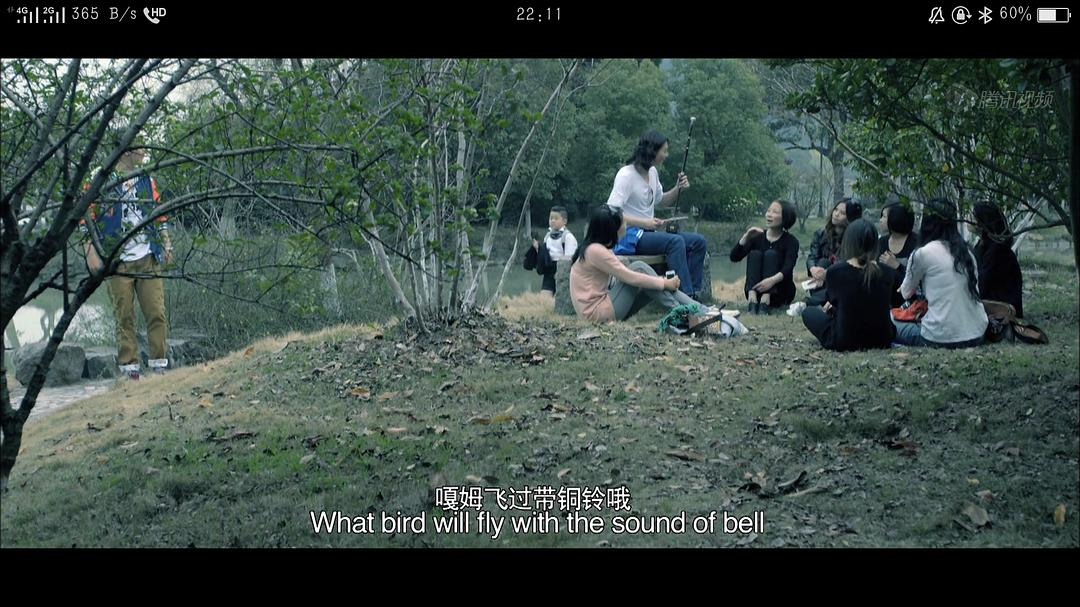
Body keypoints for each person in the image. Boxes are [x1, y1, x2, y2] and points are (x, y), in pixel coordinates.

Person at [82, 145, 173, 379]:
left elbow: (159, 213)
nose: (144, 152)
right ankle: (129, 370)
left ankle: (159, 366)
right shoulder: (100, 180)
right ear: (125, 151)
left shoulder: (146, 179)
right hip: (117, 259)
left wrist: (166, 242)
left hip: (148, 255)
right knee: (124, 316)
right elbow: (86, 219)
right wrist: (90, 253)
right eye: (139, 148)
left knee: (156, 312)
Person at [606, 130, 708, 299]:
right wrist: (644, 223)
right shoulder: (626, 175)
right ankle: (686, 298)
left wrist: (678, 188)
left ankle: (695, 294)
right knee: (675, 242)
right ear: (652, 151)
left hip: (648, 233)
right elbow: (612, 212)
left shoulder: (652, 172)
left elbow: (662, 200)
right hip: (629, 236)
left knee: (698, 242)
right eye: (664, 151)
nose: (666, 155)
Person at [569, 205, 709, 323]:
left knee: (651, 284)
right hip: (597, 314)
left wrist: (660, 282)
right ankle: (690, 314)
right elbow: (630, 276)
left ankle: (700, 311)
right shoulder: (596, 251)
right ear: (612, 229)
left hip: (601, 310)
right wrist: (664, 282)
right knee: (639, 267)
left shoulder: (596, 248)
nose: (626, 225)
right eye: (623, 222)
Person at [892, 199, 987, 348]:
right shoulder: (967, 252)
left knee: (889, 320)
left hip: (940, 337)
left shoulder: (922, 253)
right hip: (977, 333)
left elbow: (906, 293)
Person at [801, 219, 896, 350]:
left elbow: (833, 303)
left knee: (808, 312)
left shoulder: (836, 271)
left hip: (845, 340)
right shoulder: (887, 272)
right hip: (882, 339)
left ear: (848, 242)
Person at [729, 199, 800, 314]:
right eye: (768, 211)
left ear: (785, 217)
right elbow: (734, 257)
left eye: (775, 212)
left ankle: (765, 301)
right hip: (756, 290)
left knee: (771, 254)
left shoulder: (791, 241)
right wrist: (746, 237)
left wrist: (771, 281)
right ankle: (752, 300)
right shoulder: (757, 236)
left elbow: (788, 268)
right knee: (754, 254)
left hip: (780, 292)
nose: (769, 214)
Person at [805, 197, 862, 305]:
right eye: (836, 210)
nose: (836, 214)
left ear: (851, 217)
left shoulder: (854, 240)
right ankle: (819, 299)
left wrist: (827, 273)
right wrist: (813, 269)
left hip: (841, 282)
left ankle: (823, 301)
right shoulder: (821, 234)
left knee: (827, 265)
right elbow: (812, 257)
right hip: (820, 279)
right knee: (822, 262)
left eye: (842, 213)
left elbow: (847, 266)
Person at [973, 201, 1023, 318]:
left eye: (972, 216)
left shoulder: (998, 252)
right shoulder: (983, 246)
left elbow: (981, 286)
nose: (967, 220)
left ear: (982, 222)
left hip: (1002, 314)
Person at [876, 202, 919, 308]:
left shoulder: (916, 243)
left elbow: (919, 280)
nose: (880, 220)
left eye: (884, 216)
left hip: (910, 304)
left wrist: (897, 266)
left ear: (895, 219)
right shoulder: (881, 242)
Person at [528, 206, 577, 296]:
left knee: (561, 297)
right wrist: (538, 248)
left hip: (562, 270)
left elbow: (571, 258)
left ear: (564, 221)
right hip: (549, 269)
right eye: (551, 218)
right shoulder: (547, 236)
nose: (553, 221)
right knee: (544, 297)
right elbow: (545, 254)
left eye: (556, 218)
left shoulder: (568, 237)